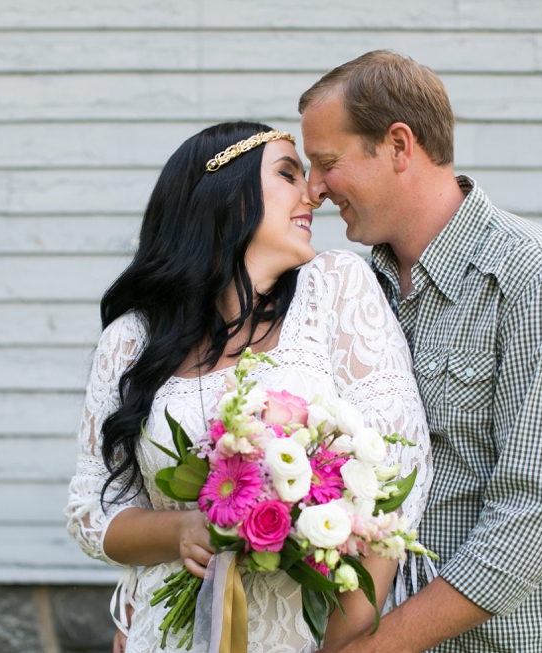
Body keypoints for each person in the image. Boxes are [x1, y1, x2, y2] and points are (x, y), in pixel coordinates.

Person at [64, 122, 433, 653]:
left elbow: (400, 480)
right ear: (226, 197)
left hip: (307, 635)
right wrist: (180, 531)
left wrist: (339, 642)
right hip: (166, 637)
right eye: (288, 174)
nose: (312, 195)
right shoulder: (132, 339)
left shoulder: (334, 287)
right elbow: (92, 510)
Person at [298, 51, 542, 653]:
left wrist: (378, 648)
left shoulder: (537, 275)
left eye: (327, 163)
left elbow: (536, 514)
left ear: (397, 145)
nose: (314, 189)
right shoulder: (360, 290)